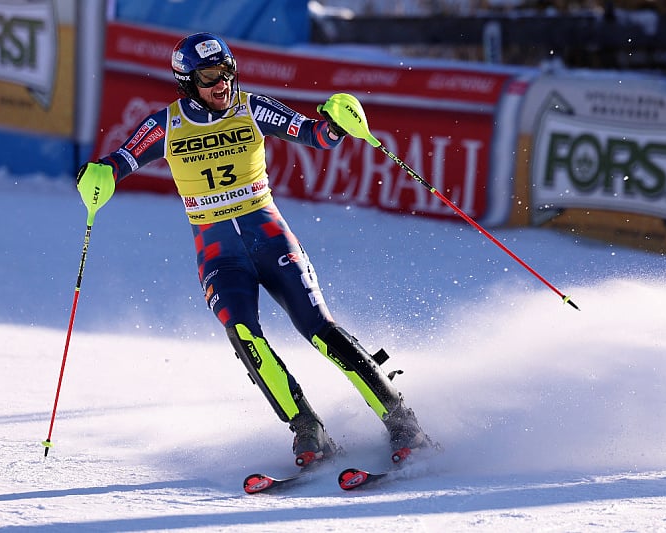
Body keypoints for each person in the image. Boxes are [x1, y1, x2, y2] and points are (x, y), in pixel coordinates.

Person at [77, 32, 433, 468]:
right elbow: (121, 160)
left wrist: (338, 122)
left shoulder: (250, 106)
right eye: (209, 76)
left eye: (227, 71)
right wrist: (99, 175)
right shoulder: (164, 125)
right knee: (245, 336)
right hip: (220, 256)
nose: (222, 83)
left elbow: (314, 135)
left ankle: (401, 420)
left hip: (271, 240)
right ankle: (308, 429)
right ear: (187, 82)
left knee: (319, 330)